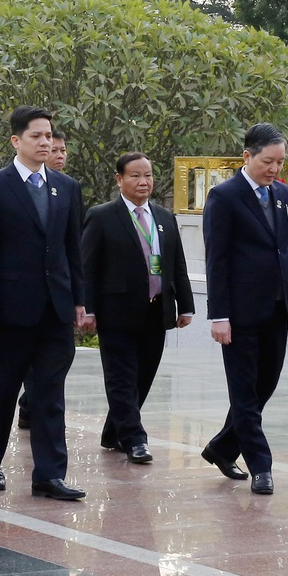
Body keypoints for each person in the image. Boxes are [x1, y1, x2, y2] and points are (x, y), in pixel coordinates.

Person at [0, 105, 87, 501]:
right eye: (36, 136)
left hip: (55, 308)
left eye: (49, 135)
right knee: (1, 390)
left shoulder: (66, 187)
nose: (45, 142)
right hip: (10, 309)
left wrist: (79, 301)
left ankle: (49, 475)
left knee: (50, 393)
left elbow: (73, 251)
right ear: (16, 141)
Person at [199, 125, 288, 495]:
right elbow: (217, 260)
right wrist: (219, 315)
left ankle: (220, 447)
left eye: (280, 162)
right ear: (247, 156)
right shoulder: (224, 196)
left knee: (265, 386)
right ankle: (262, 466)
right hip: (240, 314)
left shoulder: (282, 195)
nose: (274, 169)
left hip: (277, 309)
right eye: (267, 161)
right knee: (244, 393)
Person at [81, 151, 196, 464]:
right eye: (135, 175)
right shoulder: (102, 216)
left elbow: (177, 265)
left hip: (156, 311)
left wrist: (185, 305)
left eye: (148, 175)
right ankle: (134, 439)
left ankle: (112, 432)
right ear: (119, 179)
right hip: (116, 312)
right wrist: (87, 308)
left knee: (143, 377)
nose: (143, 181)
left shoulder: (164, 217)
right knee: (121, 377)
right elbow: (87, 267)